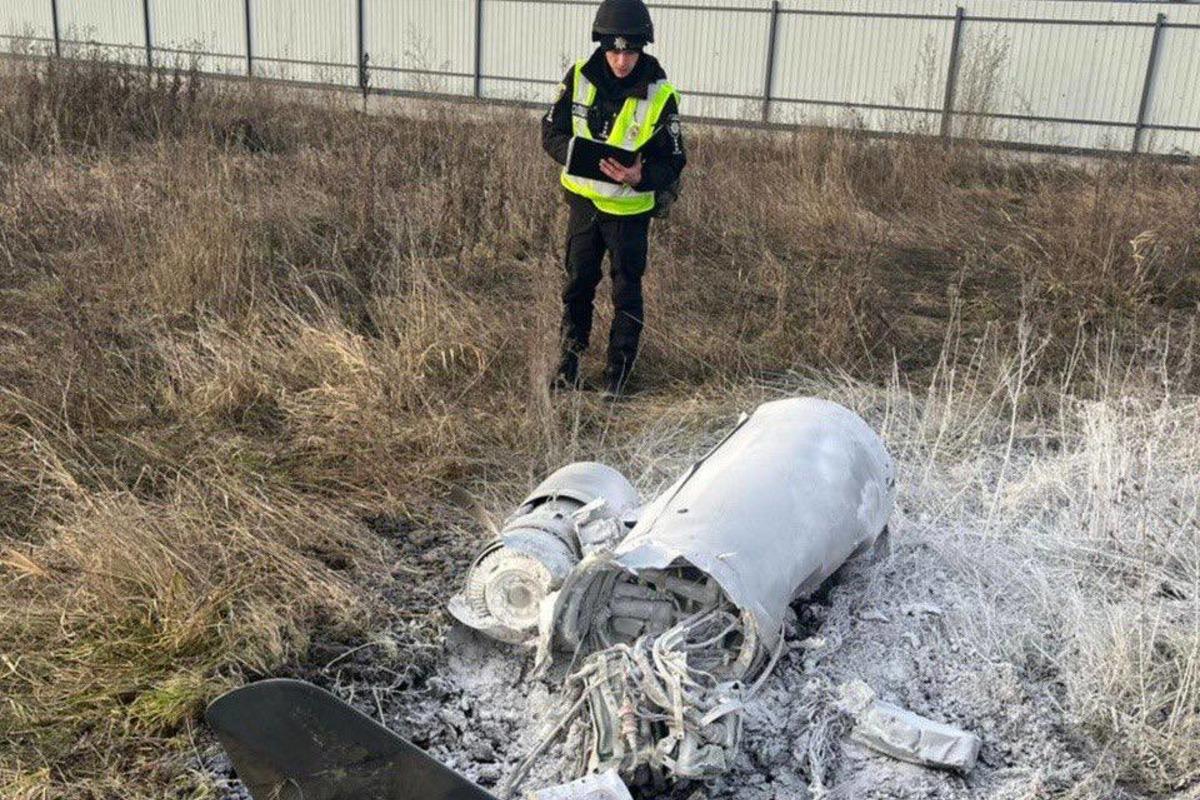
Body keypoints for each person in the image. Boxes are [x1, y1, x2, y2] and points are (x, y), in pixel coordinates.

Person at [542, 0, 687, 398]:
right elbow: (549, 133)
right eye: (614, 50)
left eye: (630, 51)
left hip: (629, 213)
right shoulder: (577, 77)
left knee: (626, 293)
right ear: (602, 45)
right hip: (584, 206)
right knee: (577, 287)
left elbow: (674, 159)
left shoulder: (661, 94)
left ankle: (618, 376)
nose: (621, 61)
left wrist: (642, 176)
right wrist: (576, 156)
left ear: (642, 49)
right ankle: (568, 366)